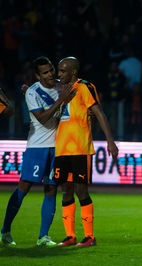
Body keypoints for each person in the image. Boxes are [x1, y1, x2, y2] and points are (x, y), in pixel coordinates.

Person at [1, 56, 73, 246]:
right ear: (37, 75)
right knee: (24, 187)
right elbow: (42, 118)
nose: (50, 74)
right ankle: (5, 231)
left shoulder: (61, 86)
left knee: (51, 189)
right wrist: (60, 102)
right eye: (45, 72)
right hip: (37, 147)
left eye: (51, 70)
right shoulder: (32, 92)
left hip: (57, 147)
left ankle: (43, 236)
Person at [55, 57, 118, 247]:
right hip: (62, 148)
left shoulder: (84, 86)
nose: (59, 74)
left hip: (80, 148)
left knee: (81, 190)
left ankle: (90, 237)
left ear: (73, 72)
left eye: (63, 71)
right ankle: (70, 236)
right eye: (58, 70)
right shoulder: (60, 91)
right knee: (66, 190)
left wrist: (110, 141)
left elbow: (99, 113)